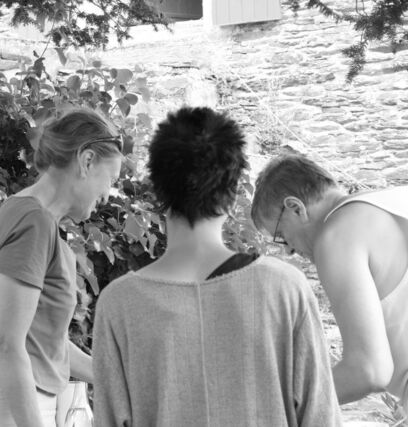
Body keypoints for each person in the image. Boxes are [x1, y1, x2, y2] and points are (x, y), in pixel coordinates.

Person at [92, 107, 342, 427]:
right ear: (233, 195)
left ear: (156, 189)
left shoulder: (119, 304)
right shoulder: (284, 289)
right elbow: (321, 418)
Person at [0, 108, 123, 427]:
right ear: (87, 161)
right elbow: (6, 344)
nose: (107, 194)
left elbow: (42, 343)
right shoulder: (34, 222)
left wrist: (116, 377)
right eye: (110, 179)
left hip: (10, 400)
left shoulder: (30, 216)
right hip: (7, 405)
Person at [251, 154, 408, 411]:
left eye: (281, 236)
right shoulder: (394, 200)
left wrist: (271, 407)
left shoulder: (335, 235)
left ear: (295, 208)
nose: (288, 251)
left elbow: (368, 370)